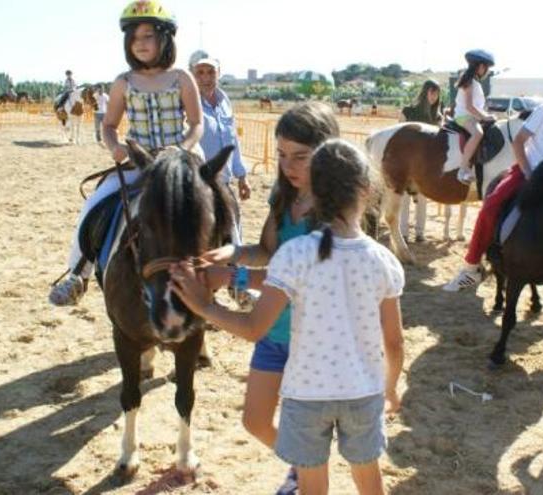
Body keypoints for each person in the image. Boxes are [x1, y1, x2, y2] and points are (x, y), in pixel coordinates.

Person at [170, 139, 405, 495]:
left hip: (307, 395)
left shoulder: (293, 255)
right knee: (369, 480)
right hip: (364, 392)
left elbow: (253, 328)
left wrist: (206, 307)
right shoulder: (384, 260)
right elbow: (394, 341)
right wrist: (390, 388)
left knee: (312, 486)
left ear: (315, 191)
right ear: (367, 190)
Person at [176, 102, 339, 494]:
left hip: (312, 340)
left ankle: (309, 473)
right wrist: (231, 252)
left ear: (329, 153)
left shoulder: (338, 213)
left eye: (301, 156)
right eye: (282, 155)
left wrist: (233, 275)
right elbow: (268, 250)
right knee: (256, 422)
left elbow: (302, 280)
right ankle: (303, 466)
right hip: (274, 331)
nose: (288, 166)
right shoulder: (285, 198)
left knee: (305, 433)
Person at [48, 0, 204, 306]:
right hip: (139, 161)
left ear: (165, 38)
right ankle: (78, 273)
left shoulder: (182, 78)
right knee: (96, 202)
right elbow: (109, 125)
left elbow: (197, 124)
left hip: (180, 160)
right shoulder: (123, 82)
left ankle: (235, 275)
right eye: (134, 37)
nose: (140, 43)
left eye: (148, 36)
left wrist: (181, 148)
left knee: (222, 198)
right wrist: (115, 147)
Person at [444, 62, 543, 317]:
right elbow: (519, 141)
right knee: (491, 205)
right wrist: (527, 171)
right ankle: (471, 268)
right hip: (529, 171)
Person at [188, 49, 251, 245]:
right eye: (200, 72)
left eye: (210, 72)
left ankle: (234, 275)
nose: (206, 77)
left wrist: (242, 176)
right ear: (191, 74)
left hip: (224, 184)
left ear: (219, 72)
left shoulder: (224, 101)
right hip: (198, 187)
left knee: (234, 239)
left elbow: (232, 140)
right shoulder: (187, 103)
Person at [399, 79, 443, 243]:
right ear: (425, 92)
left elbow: (438, 142)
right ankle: (403, 232)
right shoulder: (407, 111)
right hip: (406, 163)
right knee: (404, 200)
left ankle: (420, 233)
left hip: (425, 166)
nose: (434, 96)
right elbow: (398, 136)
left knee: (423, 200)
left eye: (437, 93)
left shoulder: (438, 117)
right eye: (432, 92)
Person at [454, 49, 496, 184]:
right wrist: (484, 117)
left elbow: (477, 107)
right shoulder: (470, 81)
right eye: (487, 67)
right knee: (478, 133)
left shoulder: (473, 81)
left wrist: (486, 115)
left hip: (471, 116)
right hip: (464, 117)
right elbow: (469, 107)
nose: (487, 71)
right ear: (481, 66)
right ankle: (463, 169)